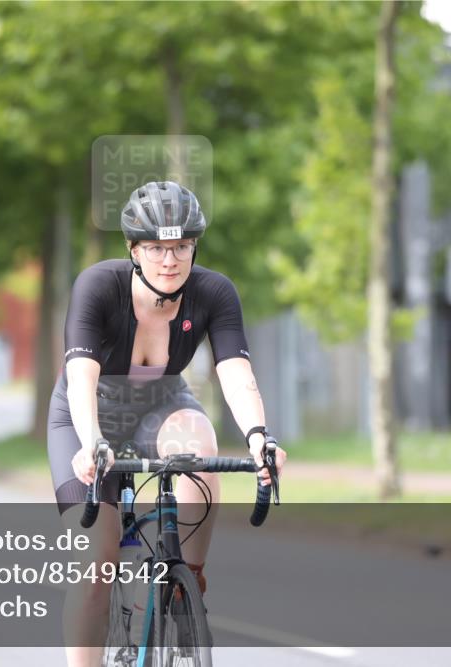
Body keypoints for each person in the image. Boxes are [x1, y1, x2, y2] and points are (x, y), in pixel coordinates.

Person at [46, 181, 287, 666]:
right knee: (97, 562)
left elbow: (235, 373)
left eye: (180, 246)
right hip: (90, 411)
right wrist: (92, 441)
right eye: (156, 247)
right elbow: (80, 379)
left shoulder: (213, 292)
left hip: (163, 403)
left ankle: (185, 582)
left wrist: (260, 436)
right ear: (134, 250)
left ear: (194, 245)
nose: (170, 259)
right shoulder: (98, 286)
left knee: (201, 453)